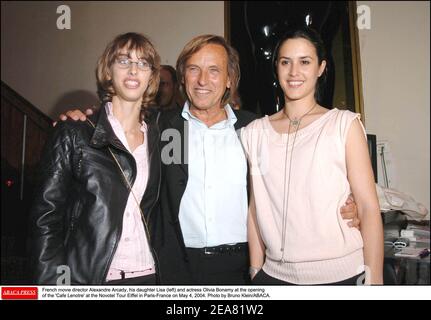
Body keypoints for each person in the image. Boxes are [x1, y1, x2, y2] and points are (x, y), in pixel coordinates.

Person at [58, 34, 360, 285]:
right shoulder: (158, 126)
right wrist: (86, 119)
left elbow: (296, 183)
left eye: (214, 70)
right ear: (181, 77)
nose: (203, 80)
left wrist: (350, 203)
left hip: (244, 269)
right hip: (175, 268)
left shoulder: (256, 129)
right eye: (193, 69)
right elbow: (117, 134)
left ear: (230, 79)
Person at [241, 26, 384, 285]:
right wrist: (255, 269)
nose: (294, 72)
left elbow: (368, 208)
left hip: (343, 274)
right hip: (273, 276)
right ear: (276, 68)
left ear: (321, 68)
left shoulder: (343, 124)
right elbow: (255, 206)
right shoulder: (254, 133)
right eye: (286, 62)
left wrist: (374, 282)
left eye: (305, 62)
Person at [29, 32, 162, 285]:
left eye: (143, 63)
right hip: (93, 277)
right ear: (108, 71)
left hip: (149, 275)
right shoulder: (74, 132)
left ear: (151, 76)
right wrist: (53, 286)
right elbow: (45, 219)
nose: (134, 69)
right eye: (123, 61)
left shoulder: (159, 136)